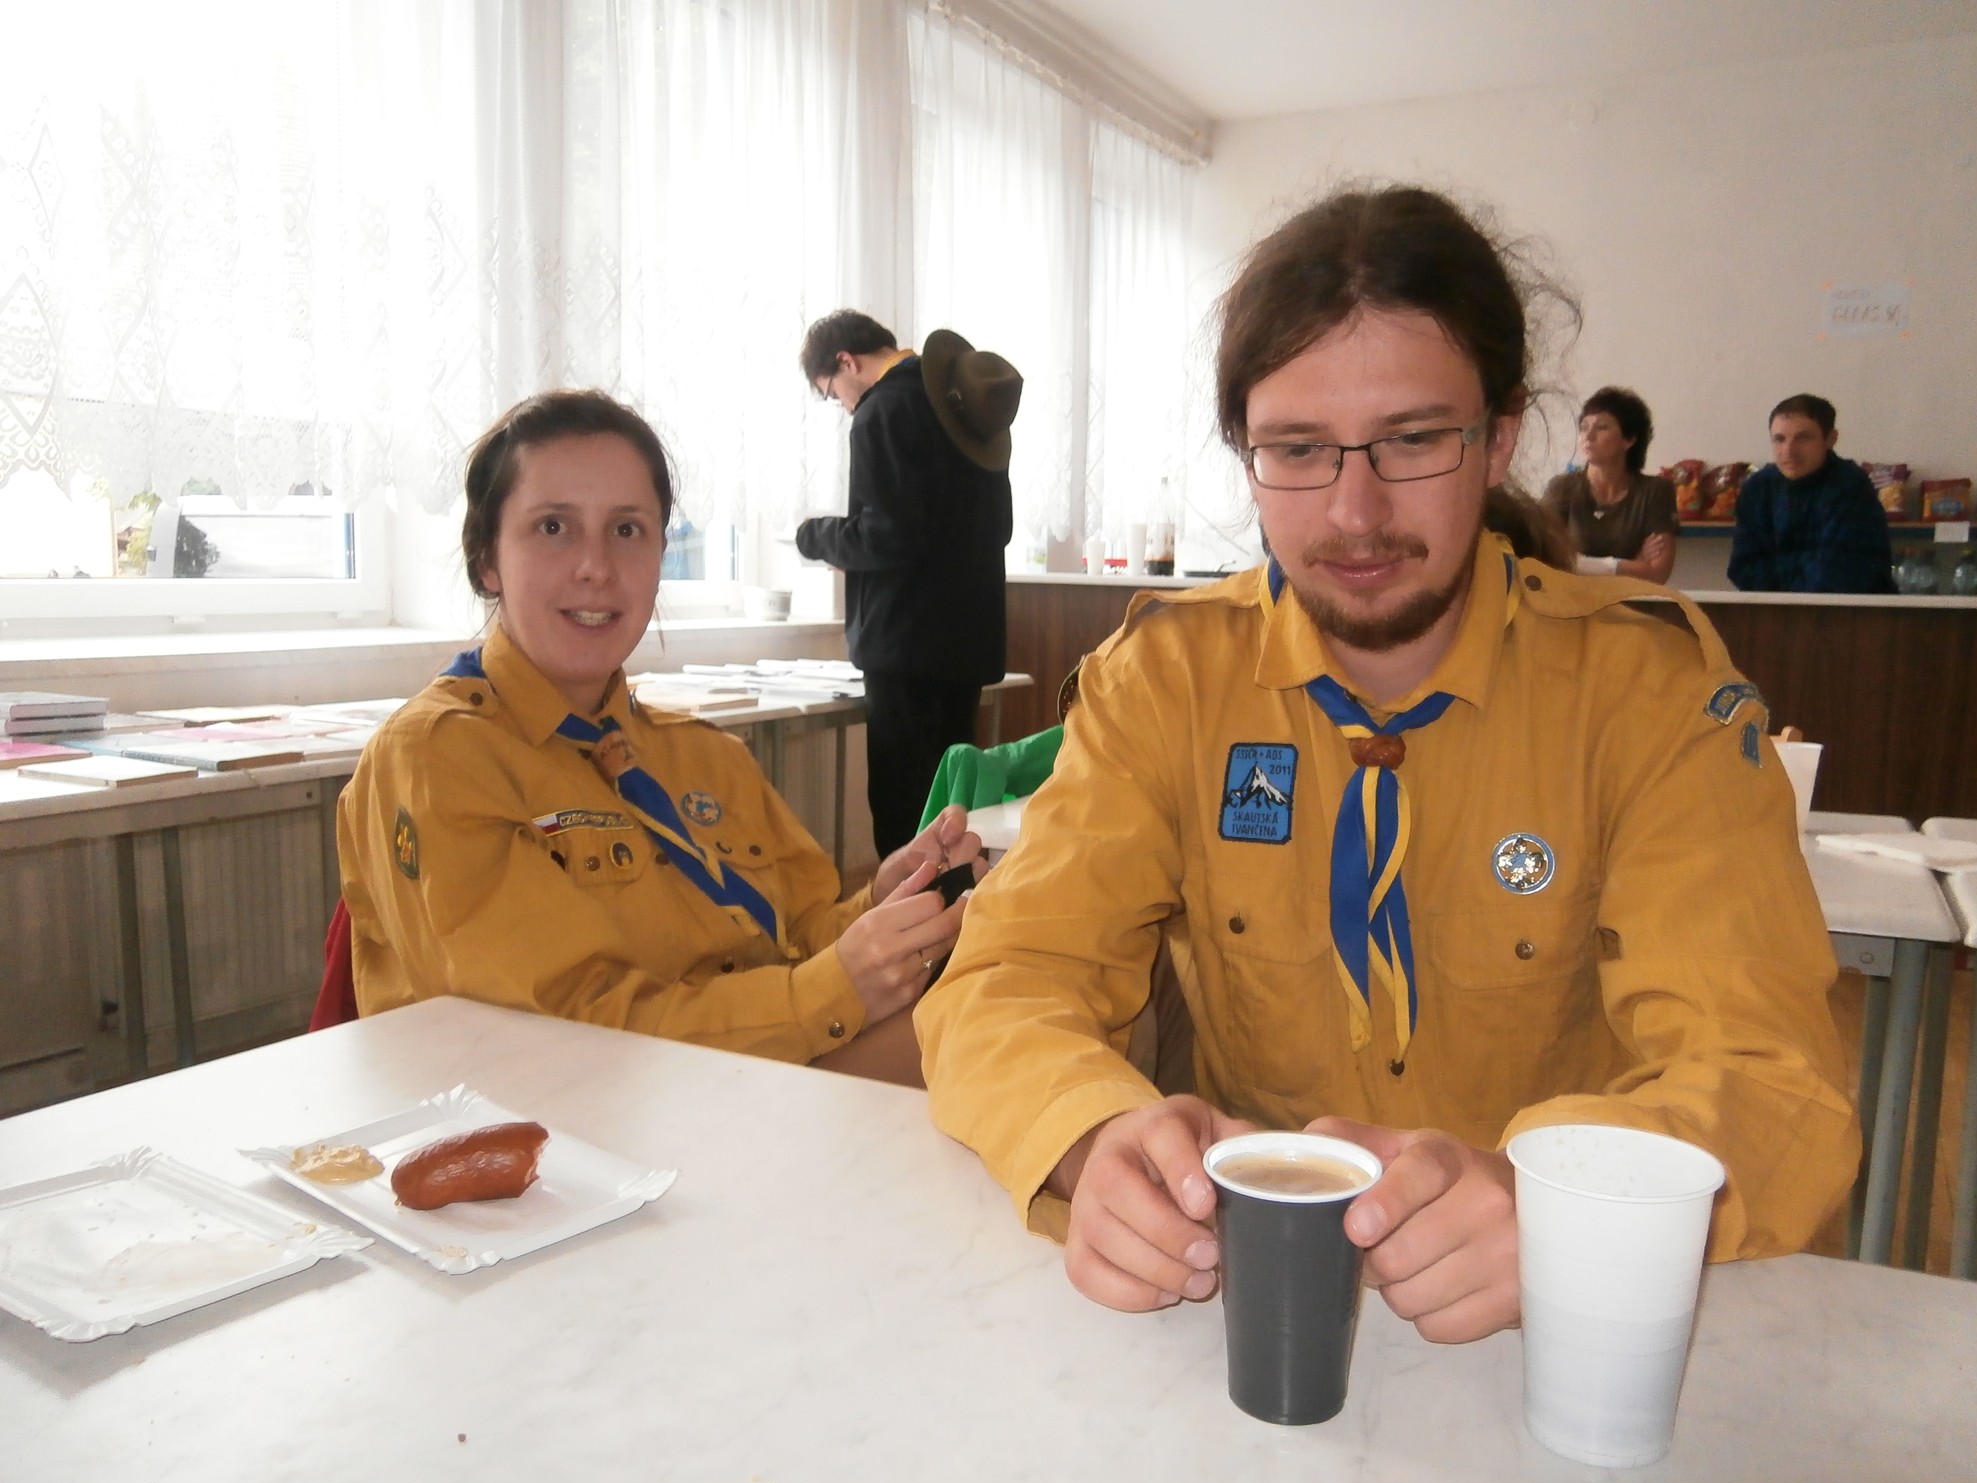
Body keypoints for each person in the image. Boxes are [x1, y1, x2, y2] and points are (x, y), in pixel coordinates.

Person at [914, 185, 1858, 1344]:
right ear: (1244, 456)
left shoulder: (1649, 695)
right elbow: (1006, 978)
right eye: (1296, 450)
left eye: (1411, 440)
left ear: (1497, 439)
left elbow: (1771, 1078)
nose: (1353, 512)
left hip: (1555, 1324)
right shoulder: (1163, 681)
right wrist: (1084, 1135)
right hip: (1247, 1312)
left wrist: (1566, 1207)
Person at [338, 389, 981, 1084]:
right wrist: (828, 991)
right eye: (553, 527)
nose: (596, 566)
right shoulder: (437, 759)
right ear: (486, 558)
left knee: (1010, 1006)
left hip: (738, 1082)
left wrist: (885, 904)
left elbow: (796, 939)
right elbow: (556, 1035)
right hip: (564, 1117)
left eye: (627, 530)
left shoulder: (706, 755)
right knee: (977, 1047)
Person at [796, 312, 1017, 859]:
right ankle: (955, 911)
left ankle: (907, 915)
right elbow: (998, 527)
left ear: (846, 361)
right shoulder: (960, 399)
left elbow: (885, 535)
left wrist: (814, 536)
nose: (843, 404)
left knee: (904, 815)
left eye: (832, 392)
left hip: (906, 647)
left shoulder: (884, 409)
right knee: (954, 813)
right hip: (967, 645)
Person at [1727, 394, 1893, 593]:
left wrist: (1779, 586)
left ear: (1830, 439)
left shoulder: (1851, 486)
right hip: (1772, 608)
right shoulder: (1757, 488)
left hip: (1850, 610)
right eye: (1779, 439)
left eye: (1803, 438)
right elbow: (1743, 568)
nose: (1789, 450)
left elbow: (1840, 573)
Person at [1540, 386, 1677, 582]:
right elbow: (1544, 560)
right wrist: (1631, 563)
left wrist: (1579, 563)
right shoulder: (1561, 488)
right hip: (1571, 598)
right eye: (1584, 427)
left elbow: (1657, 574)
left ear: (1629, 439)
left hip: (1632, 599)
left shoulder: (1656, 491)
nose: (1588, 436)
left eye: (1602, 427)